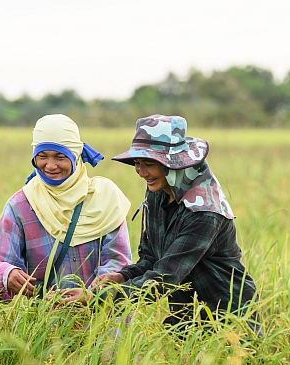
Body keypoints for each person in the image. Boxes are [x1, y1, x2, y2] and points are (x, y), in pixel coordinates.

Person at [93, 115, 260, 331]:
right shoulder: (158, 191)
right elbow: (152, 258)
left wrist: (95, 298)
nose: (142, 173)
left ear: (174, 164)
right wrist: (122, 276)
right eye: (137, 163)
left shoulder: (204, 210)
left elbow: (165, 276)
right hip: (185, 317)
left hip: (229, 317)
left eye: (150, 164)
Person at [0, 114, 133, 301]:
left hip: (103, 323)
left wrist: (93, 296)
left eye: (60, 157)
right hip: (45, 325)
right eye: (42, 156)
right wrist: (6, 274)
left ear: (76, 156)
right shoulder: (21, 206)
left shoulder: (105, 198)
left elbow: (120, 265)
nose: (50, 166)